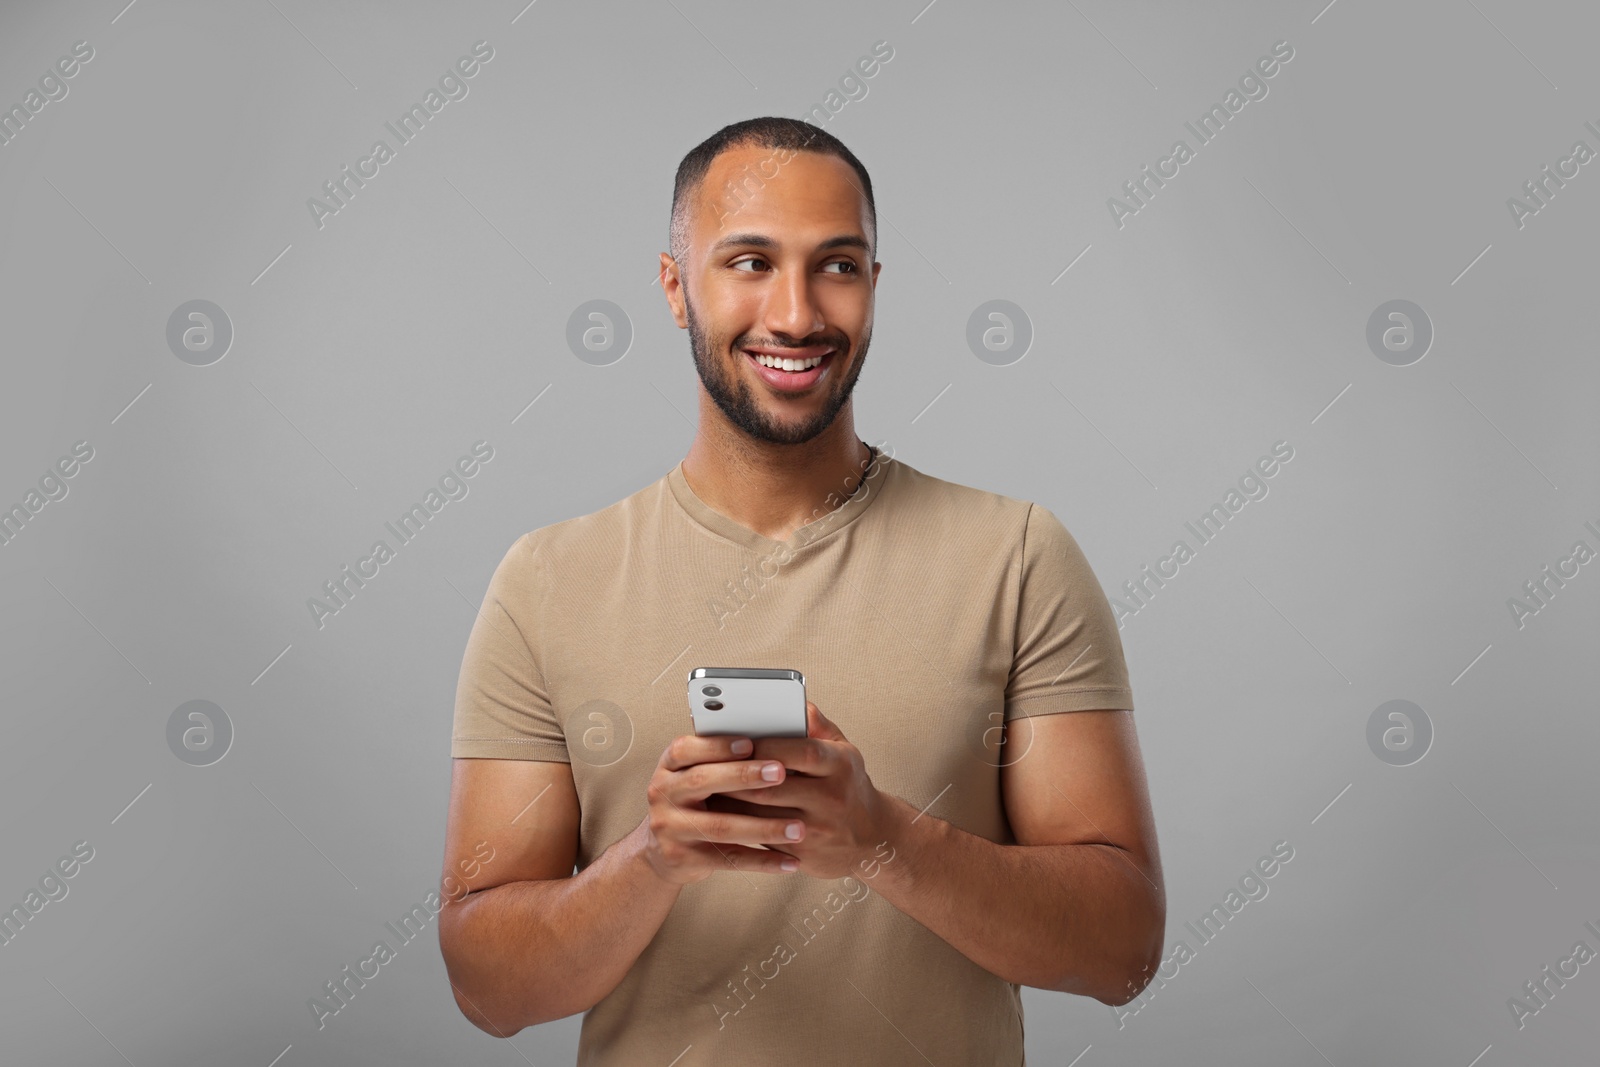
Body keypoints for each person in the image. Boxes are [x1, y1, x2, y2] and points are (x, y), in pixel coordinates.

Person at [438, 116, 1164, 1064]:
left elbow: (1124, 952)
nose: (796, 315)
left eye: (839, 265)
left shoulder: (1018, 557)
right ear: (673, 288)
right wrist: (653, 859)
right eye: (748, 262)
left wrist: (881, 840)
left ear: (873, 286)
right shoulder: (546, 581)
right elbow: (486, 990)